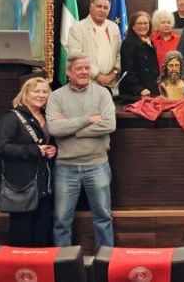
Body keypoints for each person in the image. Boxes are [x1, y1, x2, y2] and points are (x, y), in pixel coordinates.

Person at [46, 54, 116, 248]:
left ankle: (105, 263)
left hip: (97, 165)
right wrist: (86, 119)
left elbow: (109, 125)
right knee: (61, 220)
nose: (85, 72)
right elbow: (54, 129)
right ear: (68, 72)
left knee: (103, 217)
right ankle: (63, 265)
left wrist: (72, 131)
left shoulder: (102, 93)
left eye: (87, 68)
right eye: (80, 68)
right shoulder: (56, 96)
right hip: (65, 168)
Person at [0, 76, 56, 246]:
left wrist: (51, 150)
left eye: (45, 91)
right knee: (22, 232)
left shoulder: (46, 116)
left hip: (44, 185)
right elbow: (0, 148)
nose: (41, 95)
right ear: (26, 93)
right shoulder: (12, 117)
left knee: (42, 231)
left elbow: (44, 144)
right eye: (36, 91)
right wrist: (34, 151)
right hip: (22, 185)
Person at [67, 0, 121, 89]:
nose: (102, 10)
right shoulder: (77, 28)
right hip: (87, 82)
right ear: (91, 7)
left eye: (105, 8)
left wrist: (113, 73)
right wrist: (98, 76)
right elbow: (76, 57)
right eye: (99, 6)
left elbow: (119, 53)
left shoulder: (114, 27)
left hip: (111, 83)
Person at [120, 11, 160, 98]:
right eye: (139, 23)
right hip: (136, 91)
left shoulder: (150, 41)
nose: (143, 26)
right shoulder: (128, 43)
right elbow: (128, 69)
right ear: (133, 26)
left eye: (146, 23)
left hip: (151, 87)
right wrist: (139, 89)